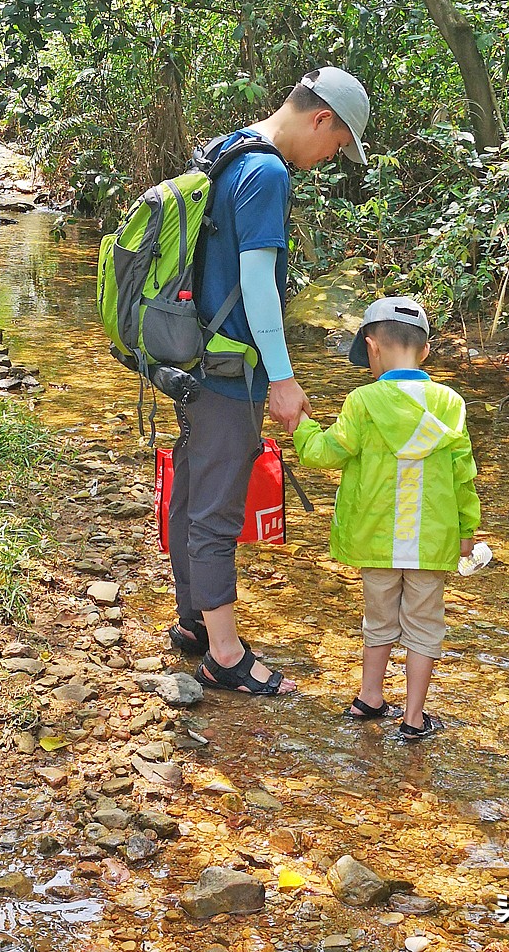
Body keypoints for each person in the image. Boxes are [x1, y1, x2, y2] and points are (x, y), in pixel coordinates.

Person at [166, 67, 371, 697]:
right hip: (230, 370)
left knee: (193, 487)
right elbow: (257, 284)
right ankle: (224, 655)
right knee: (218, 507)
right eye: (337, 145)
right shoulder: (270, 172)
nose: (330, 158)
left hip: (193, 356)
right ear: (320, 119)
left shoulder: (229, 148)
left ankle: (195, 623)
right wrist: (282, 380)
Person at [285, 295, 481, 739]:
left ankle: (369, 698)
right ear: (425, 351)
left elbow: (325, 453)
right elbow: (463, 475)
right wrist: (466, 531)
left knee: (378, 622)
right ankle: (413, 719)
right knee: (425, 627)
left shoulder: (363, 401)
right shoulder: (449, 404)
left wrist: (300, 424)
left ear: (372, 347)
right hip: (431, 543)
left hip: (376, 539)